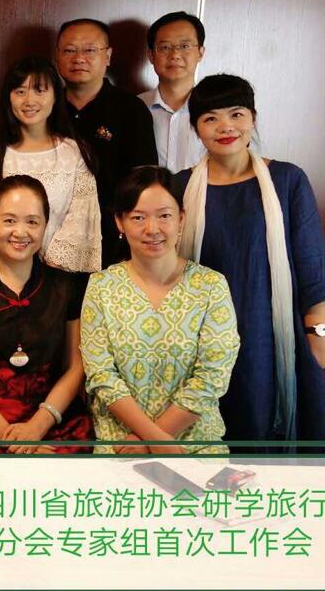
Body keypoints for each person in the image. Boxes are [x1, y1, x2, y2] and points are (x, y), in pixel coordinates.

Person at [176, 75, 325, 446]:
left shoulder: (287, 180)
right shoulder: (179, 185)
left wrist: (318, 335)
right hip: (201, 338)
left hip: (269, 333)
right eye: (211, 118)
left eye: (236, 114)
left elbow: (311, 263)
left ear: (253, 118)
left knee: (265, 432)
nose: (225, 127)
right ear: (196, 128)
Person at [80, 166, 240, 454]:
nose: (152, 229)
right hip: (120, 447)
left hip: (195, 447)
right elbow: (101, 375)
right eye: (138, 217)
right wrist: (153, 440)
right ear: (119, 222)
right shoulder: (101, 286)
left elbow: (212, 377)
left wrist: (151, 441)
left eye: (164, 216)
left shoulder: (211, 286)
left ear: (181, 219)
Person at [0, 175, 93, 454]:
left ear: (45, 226)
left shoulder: (66, 287)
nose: (20, 232)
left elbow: (76, 367)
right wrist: (12, 439)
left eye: (32, 222)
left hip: (51, 422)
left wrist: (37, 428)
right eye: (9, 220)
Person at [0, 56, 101, 273]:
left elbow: (80, 221)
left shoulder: (73, 153)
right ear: (8, 97)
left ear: (55, 96)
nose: (29, 101)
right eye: (20, 91)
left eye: (39, 91)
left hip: (57, 277)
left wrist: (44, 274)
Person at [56, 18, 157, 265]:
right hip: (50, 233)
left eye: (90, 50)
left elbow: (143, 182)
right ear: (57, 56)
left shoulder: (131, 109)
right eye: (69, 50)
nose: (79, 58)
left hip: (110, 239)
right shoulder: (44, 106)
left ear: (108, 56)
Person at [139, 11, 207, 172]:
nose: (175, 55)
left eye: (185, 46)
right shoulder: (134, 107)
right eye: (165, 47)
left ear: (200, 53)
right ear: (151, 55)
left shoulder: (217, 109)